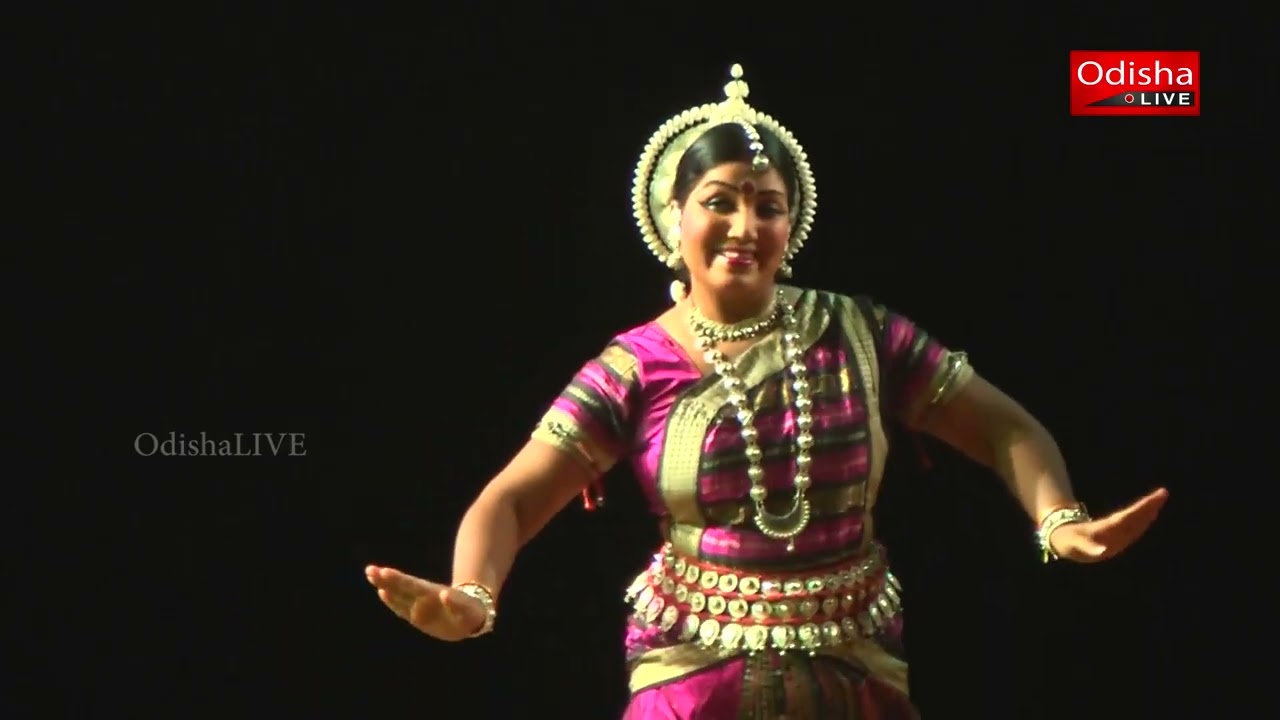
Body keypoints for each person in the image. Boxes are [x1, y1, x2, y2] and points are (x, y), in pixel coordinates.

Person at [365, 64, 1168, 718]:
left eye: (768, 206)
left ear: (792, 226)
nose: (745, 225)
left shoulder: (863, 334)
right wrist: (474, 594)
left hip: (856, 663)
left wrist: (1060, 521)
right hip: (690, 675)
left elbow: (1005, 429)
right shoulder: (635, 367)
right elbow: (511, 500)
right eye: (720, 202)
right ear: (673, 218)